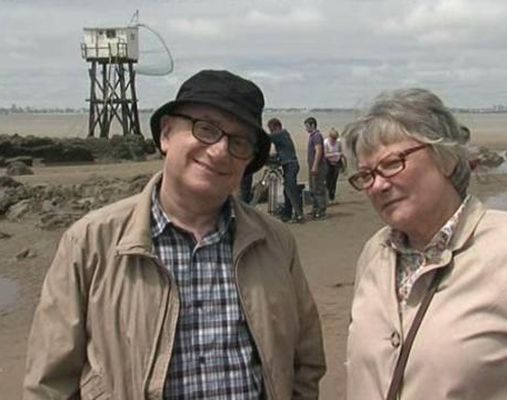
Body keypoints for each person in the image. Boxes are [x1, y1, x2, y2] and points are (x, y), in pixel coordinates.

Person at [23, 70, 326, 399]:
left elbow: (305, 361)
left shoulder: (276, 243)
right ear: (167, 134)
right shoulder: (91, 242)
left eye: (239, 142)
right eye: (206, 129)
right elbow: (49, 383)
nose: (220, 150)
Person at [343, 88, 507, 399]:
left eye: (392, 163)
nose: (378, 185)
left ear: (447, 158)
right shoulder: (374, 255)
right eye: (366, 175)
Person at [267, 117, 304, 223]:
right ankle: (287, 214)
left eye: (271, 129)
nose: (271, 131)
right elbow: (283, 150)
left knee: (291, 190)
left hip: (290, 164)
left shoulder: (281, 134)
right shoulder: (284, 135)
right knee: (287, 191)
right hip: (288, 164)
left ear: (277, 127)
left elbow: (265, 138)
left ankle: (299, 214)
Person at [304, 116, 327, 219]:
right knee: (313, 188)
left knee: (318, 188)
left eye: (307, 126)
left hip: (318, 166)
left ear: (312, 125)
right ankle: (315, 209)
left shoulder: (317, 136)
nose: (306, 129)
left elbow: (319, 151)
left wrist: (315, 166)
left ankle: (321, 211)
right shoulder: (312, 136)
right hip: (313, 166)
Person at [323, 128, 345, 203]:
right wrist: (336, 154)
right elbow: (325, 155)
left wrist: (343, 165)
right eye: (333, 139)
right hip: (328, 163)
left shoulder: (338, 142)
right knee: (328, 180)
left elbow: (341, 152)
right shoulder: (325, 143)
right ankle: (327, 197)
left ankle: (332, 197)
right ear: (330, 137)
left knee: (334, 181)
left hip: (337, 163)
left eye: (335, 139)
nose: (334, 141)